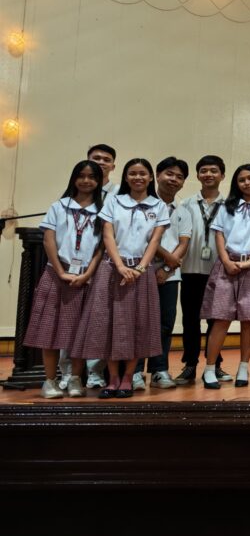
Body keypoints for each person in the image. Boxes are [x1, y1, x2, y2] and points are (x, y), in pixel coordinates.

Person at [72, 158, 169, 398]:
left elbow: (155, 241)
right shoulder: (114, 202)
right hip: (111, 270)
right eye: (133, 173)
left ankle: (128, 377)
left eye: (143, 173)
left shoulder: (158, 206)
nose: (138, 177)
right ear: (126, 177)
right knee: (108, 323)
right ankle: (113, 378)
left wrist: (140, 268)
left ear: (150, 178)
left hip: (141, 273)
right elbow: (108, 236)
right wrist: (120, 266)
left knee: (138, 324)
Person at [25, 161, 105, 398]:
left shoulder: (103, 211)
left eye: (92, 177)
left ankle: (75, 379)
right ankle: (49, 381)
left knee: (80, 333)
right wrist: (60, 271)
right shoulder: (59, 207)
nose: (86, 181)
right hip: (56, 274)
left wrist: (88, 274)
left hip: (86, 278)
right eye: (81, 176)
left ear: (99, 181)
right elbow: (48, 240)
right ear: (73, 178)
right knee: (49, 331)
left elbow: (101, 247)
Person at [200, 164, 250, 390]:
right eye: (241, 180)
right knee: (220, 318)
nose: (246, 183)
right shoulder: (227, 207)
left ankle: (243, 367)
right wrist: (226, 261)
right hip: (228, 265)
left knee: (248, 319)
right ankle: (209, 369)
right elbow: (219, 235)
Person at [132, 157, 191, 391]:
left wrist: (167, 269)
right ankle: (135, 371)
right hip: (141, 271)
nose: (173, 179)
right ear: (157, 176)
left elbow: (184, 242)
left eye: (179, 177)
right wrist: (169, 259)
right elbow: (146, 238)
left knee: (165, 324)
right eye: (169, 174)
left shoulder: (183, 210)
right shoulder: (143, 205)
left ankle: (159, 370)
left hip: (170, 276)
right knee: (139, 322)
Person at [175, 155, 231, 385]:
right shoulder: (185, 204)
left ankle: (214, 364)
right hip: (190, 270)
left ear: (222, 175)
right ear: (197, 175)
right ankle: (189, 365)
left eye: (214, 171)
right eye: (204, 170)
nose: (209, 174)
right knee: (190, 320)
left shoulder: (230, 206)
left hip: (219, 272)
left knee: (216, 321)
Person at [81, 143, 119, 388]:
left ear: (113, 166)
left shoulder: (119, 194)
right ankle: (70, 373)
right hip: (78, 263)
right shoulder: (76, 191)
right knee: (74, 319)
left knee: (101, 320)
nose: (101, 162)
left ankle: (96, 372)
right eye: (96, 158)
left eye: (106, 159)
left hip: (108, 263)